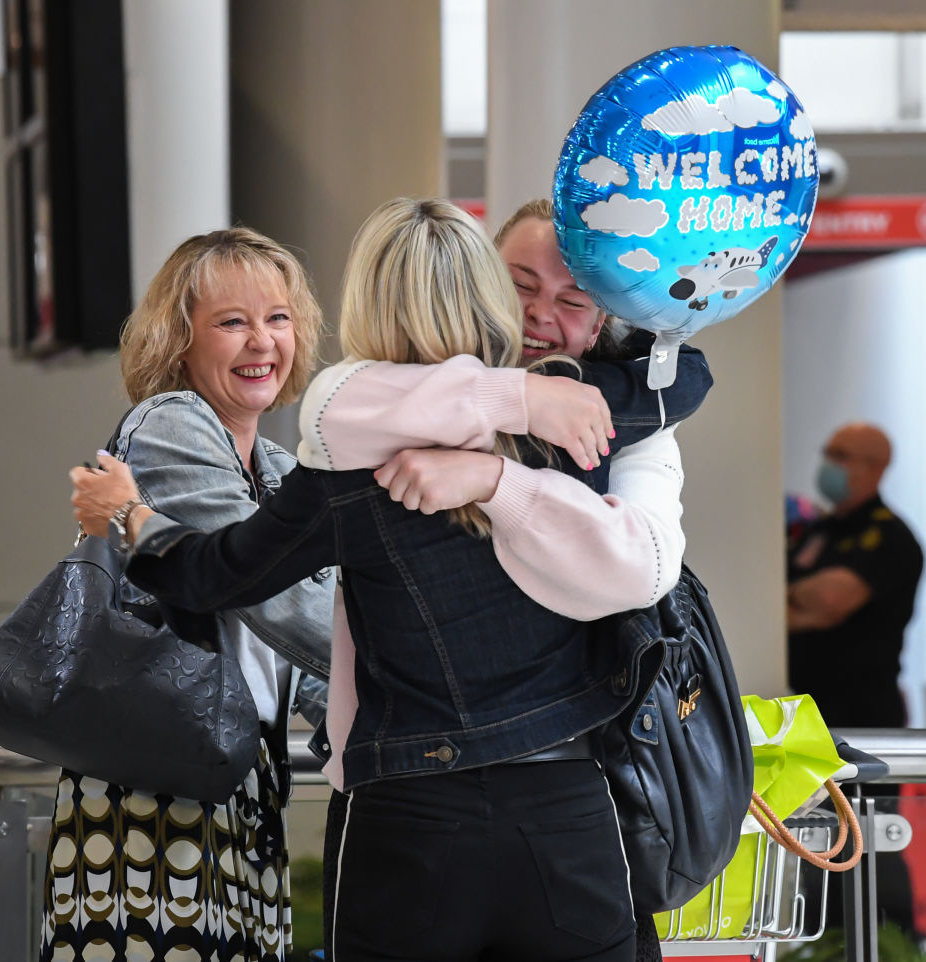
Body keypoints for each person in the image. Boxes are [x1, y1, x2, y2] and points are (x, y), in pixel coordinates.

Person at [70, 197, 692, 962]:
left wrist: (134, 520)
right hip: (570, 810)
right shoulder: (587, 429)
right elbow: (678, 391)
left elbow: (215, 575)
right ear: (492, 297)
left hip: (408, 818)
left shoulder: (343, 460)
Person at [304, 197, 711, 962]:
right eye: (519, 284)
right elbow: (327, 405)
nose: (538, 316)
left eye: (572, 300)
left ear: (603, 323)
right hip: (401, 795)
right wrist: (514, 399)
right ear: (478, 281)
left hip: (575, 791)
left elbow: (643, 569)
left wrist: (494, 479)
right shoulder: (404, 395)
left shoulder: (626, 421)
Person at [39, 228, 335, 962]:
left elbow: (316, 647)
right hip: (154, 807)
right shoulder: (172, 424)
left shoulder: (274, 463)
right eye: (232, 322)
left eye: (278, 317)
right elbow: (277, 600)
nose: (261, 341)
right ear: (180, 341)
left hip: (242, 792)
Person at [787, 422, 923, 729]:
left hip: (864, 715)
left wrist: (788, 597)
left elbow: (829, 601)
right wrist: (796, 601)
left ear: (875, 466)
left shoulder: (890, 536)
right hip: (806, 711)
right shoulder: (816, 530)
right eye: (828, 453)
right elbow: (774, 605)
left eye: (841, 456)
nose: (828, 464)